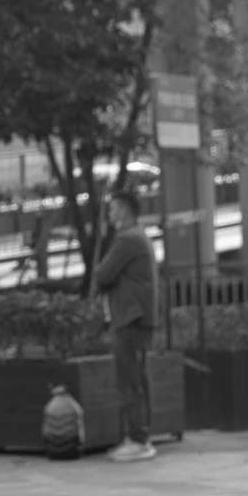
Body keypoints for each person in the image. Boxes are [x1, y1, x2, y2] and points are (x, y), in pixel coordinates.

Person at [94, 191, 159, 463]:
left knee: (128, 379)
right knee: (137, 377)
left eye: (112, 210)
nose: (109, 216)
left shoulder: (126, 239)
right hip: (139, 317)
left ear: (123, 211)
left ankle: (138, 438)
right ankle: (139, 436)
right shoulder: (139, 236)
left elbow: (102, 275)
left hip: (129, 317)